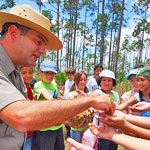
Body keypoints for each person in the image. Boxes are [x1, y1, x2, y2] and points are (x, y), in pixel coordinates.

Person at [0, 5, 115, 150]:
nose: (43, 51)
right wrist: (89, 101)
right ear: (13, 33)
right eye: (38, 41)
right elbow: (22, 116)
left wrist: (66, 117)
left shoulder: (14, 72)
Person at [32, 60, 64, 150]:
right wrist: (54, 101)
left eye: (52, 73)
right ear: (40, 72)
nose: (49, 76)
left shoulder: (54, 84)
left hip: (57, 126)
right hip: (44, 128)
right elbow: (46, 95)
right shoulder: (38, 85)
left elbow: (57, 97)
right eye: (46, 73)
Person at [92, 70, 120, 150]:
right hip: (102, 131)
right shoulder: (98, 93)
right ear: (100, 81)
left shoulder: (115, 94)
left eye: (109, 80)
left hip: (114, 130)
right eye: (104, 80)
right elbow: (92, 95)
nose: (106, 83)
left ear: (113, 82)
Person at [64, 71, 89, 143]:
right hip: (76, 128)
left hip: (87, 128)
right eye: (81, 80)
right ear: (76, 81)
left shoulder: (88, 95)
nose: (83, 82)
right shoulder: (71, 95)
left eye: (85, 80)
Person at [20, 66, 34, 150]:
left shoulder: (30, 88)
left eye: (30, 72)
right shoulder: (17, 89)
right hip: (20, 132)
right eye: (23, 73)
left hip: (29, 131)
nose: (27, 75)